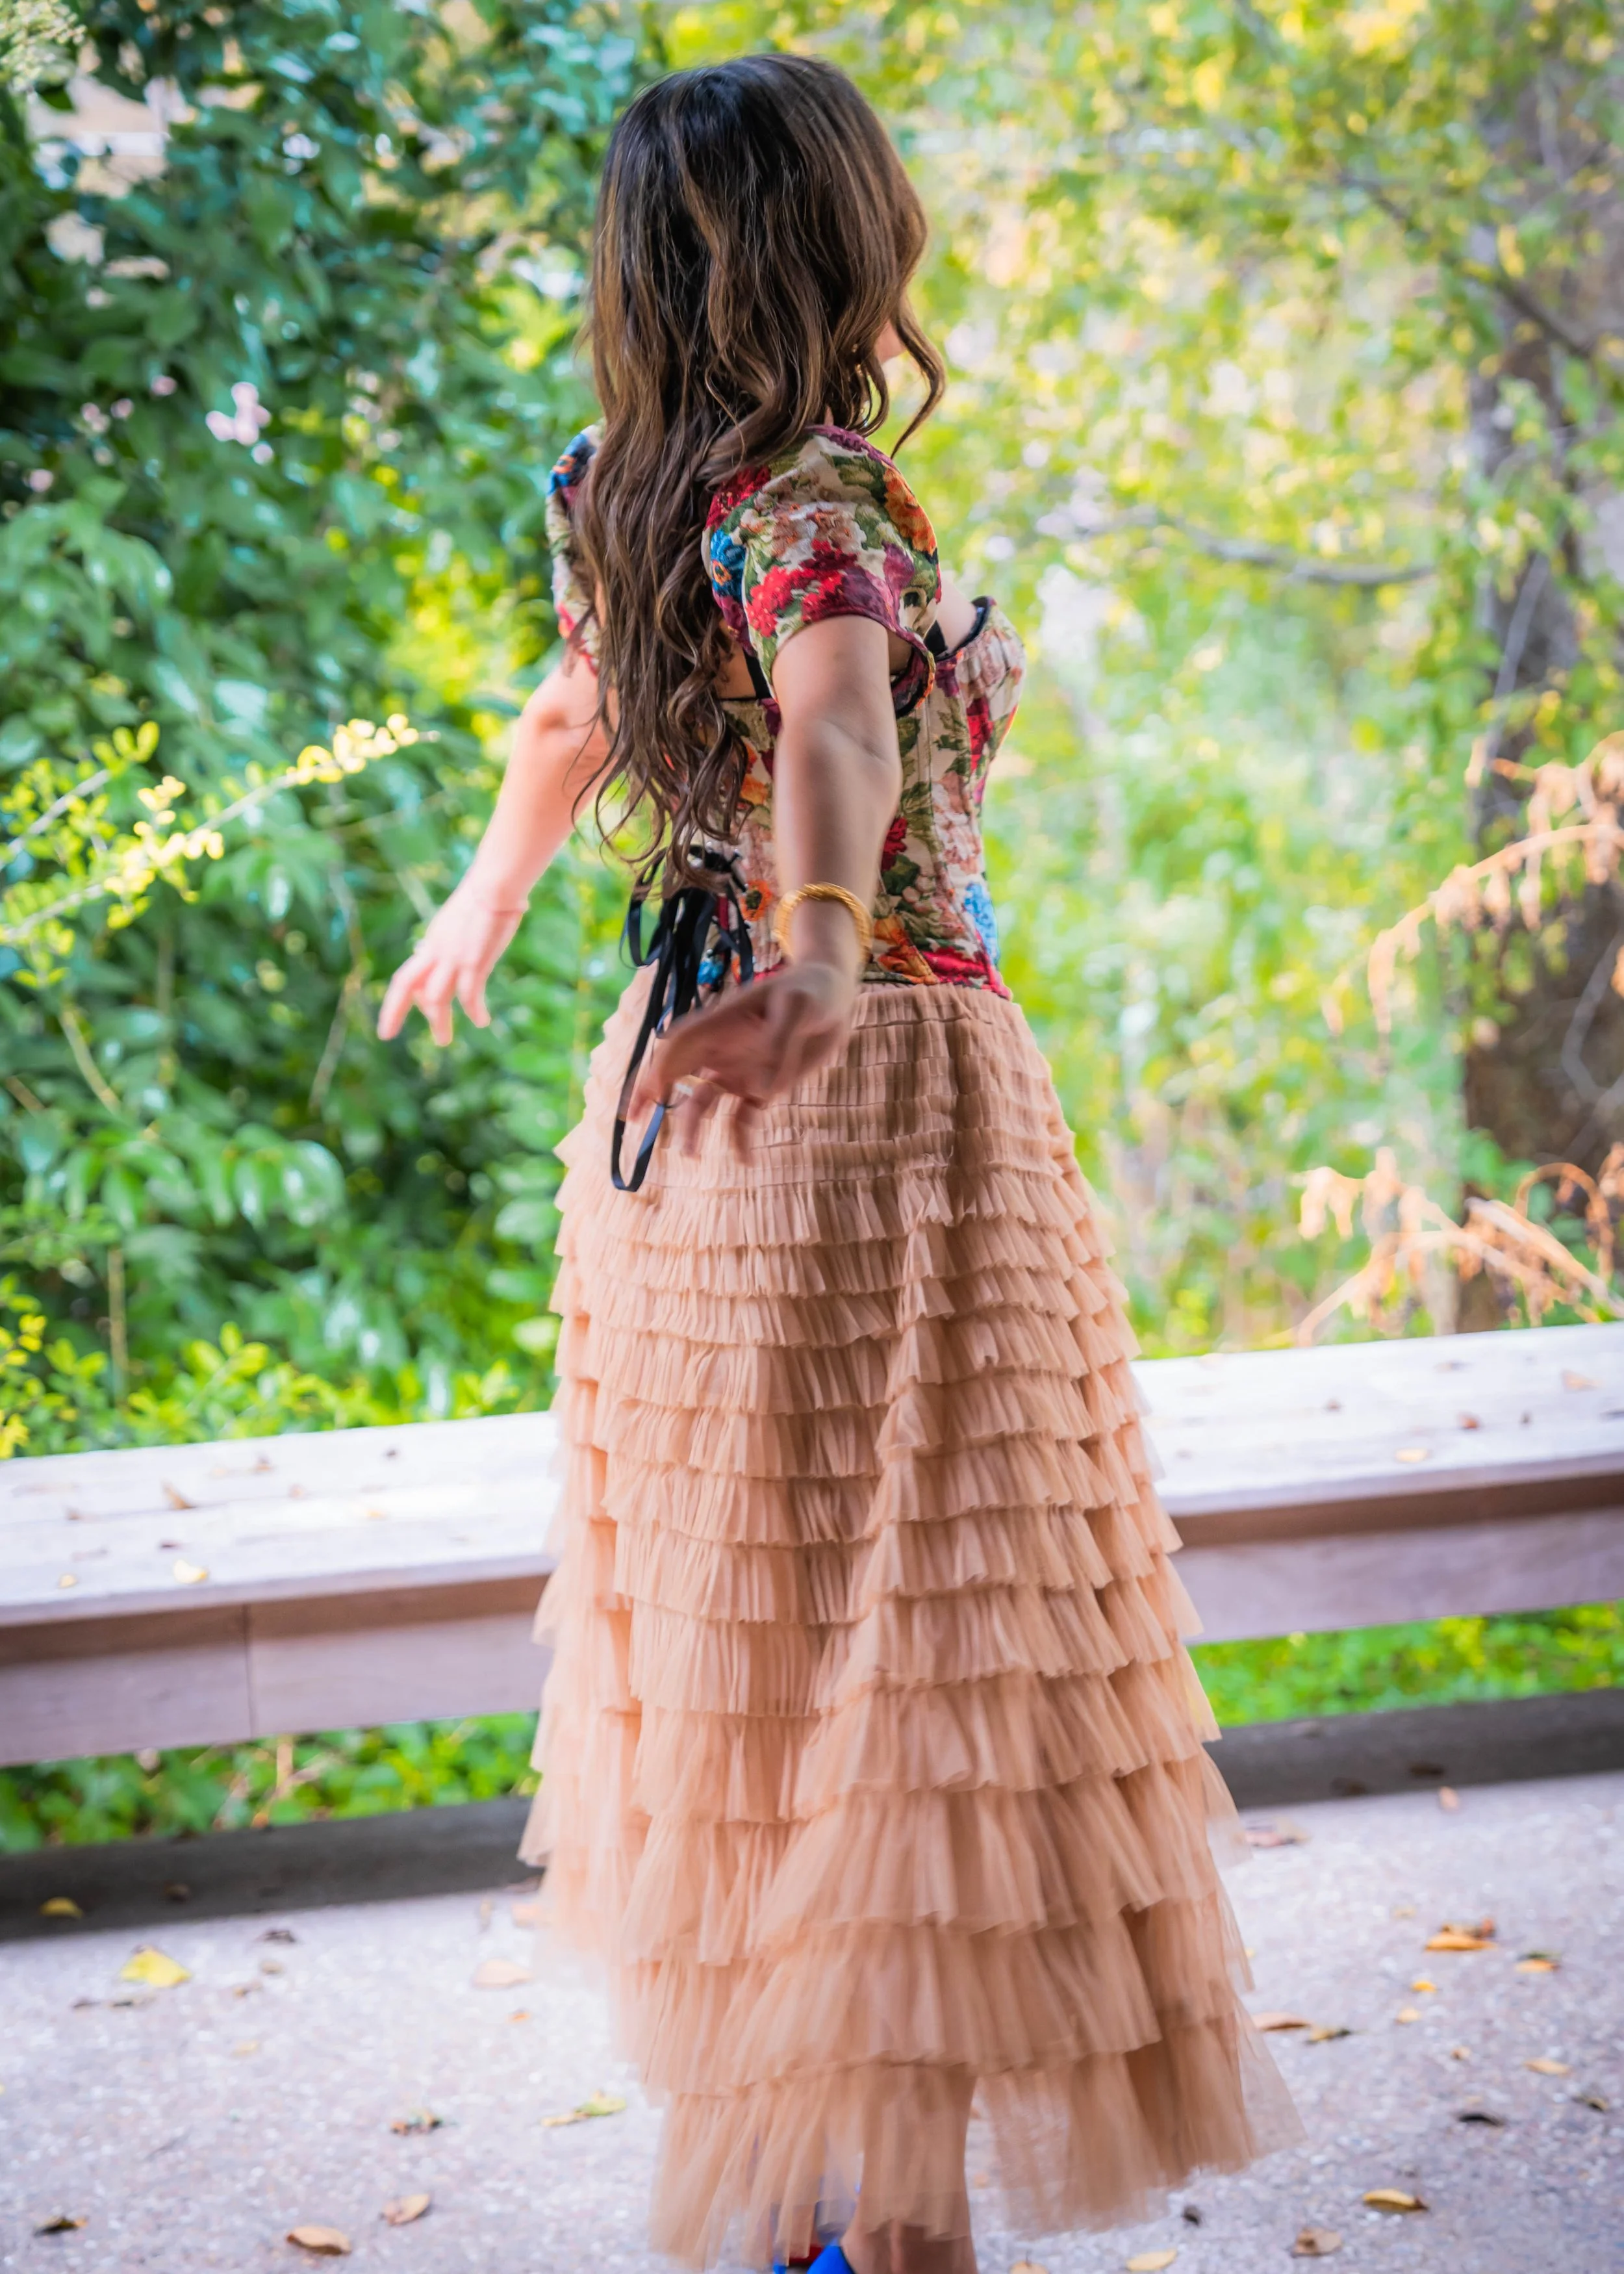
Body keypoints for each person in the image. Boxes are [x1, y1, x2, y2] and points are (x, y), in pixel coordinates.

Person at [379, 52, 1297, 2274]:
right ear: (839, 237)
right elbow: (835, 711)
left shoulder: (617, 477)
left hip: (680, 1139)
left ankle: (802, 2192)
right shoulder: (815, 503)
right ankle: (883, 2229)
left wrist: (480, 903)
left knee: (755, 1639)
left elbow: (568, 715)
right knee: (912, 1658)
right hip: (863, 1089)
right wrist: (806, 961)